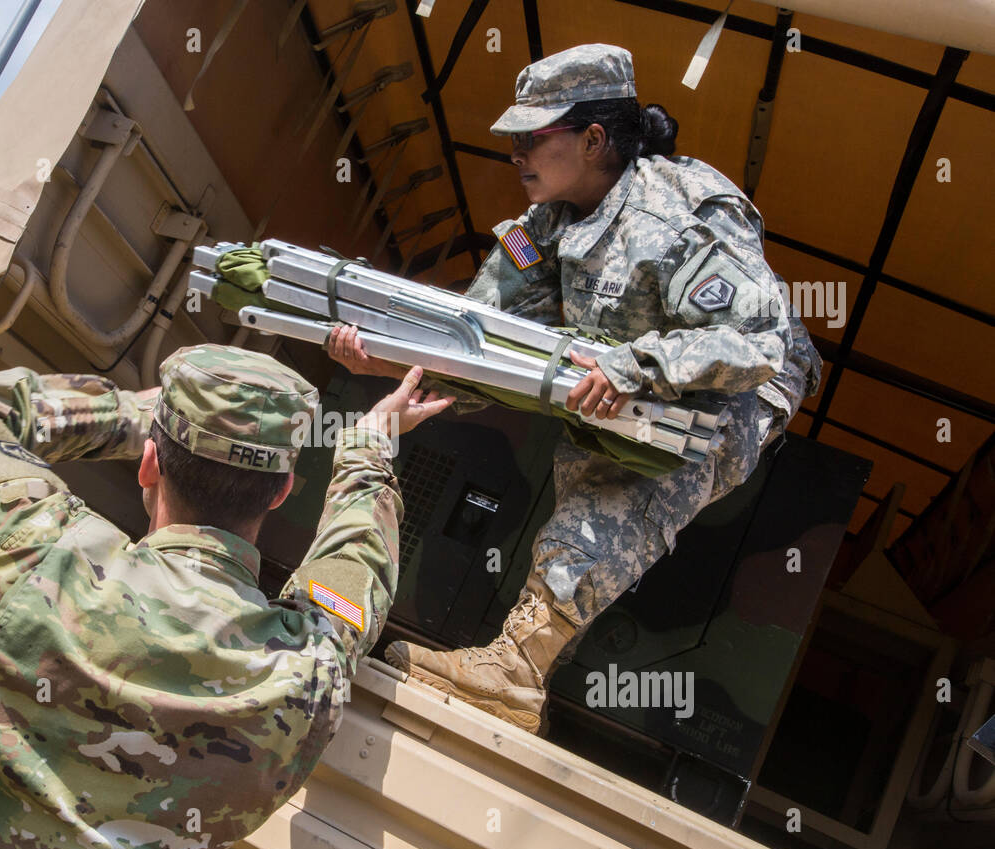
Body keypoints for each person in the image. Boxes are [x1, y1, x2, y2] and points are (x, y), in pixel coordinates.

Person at [328, 44, 821, 734]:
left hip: (732, 391)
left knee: (617, 484)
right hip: (626, 369)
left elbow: (757, 341)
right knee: (588, 458)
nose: (515, 155)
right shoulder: (542, 230)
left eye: (532, 138)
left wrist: (633, 370)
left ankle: (514, 674)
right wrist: (393, 358)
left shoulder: (678, 213)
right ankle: (513, 672)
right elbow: (483, 335)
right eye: (512, 142)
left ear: (593, 139)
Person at [0, 344, 451, 849]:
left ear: (150, 463)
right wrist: (368, 445)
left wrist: (145, 416)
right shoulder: (304, 668)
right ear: (284, 491)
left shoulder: (41, 558)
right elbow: (355, 571)